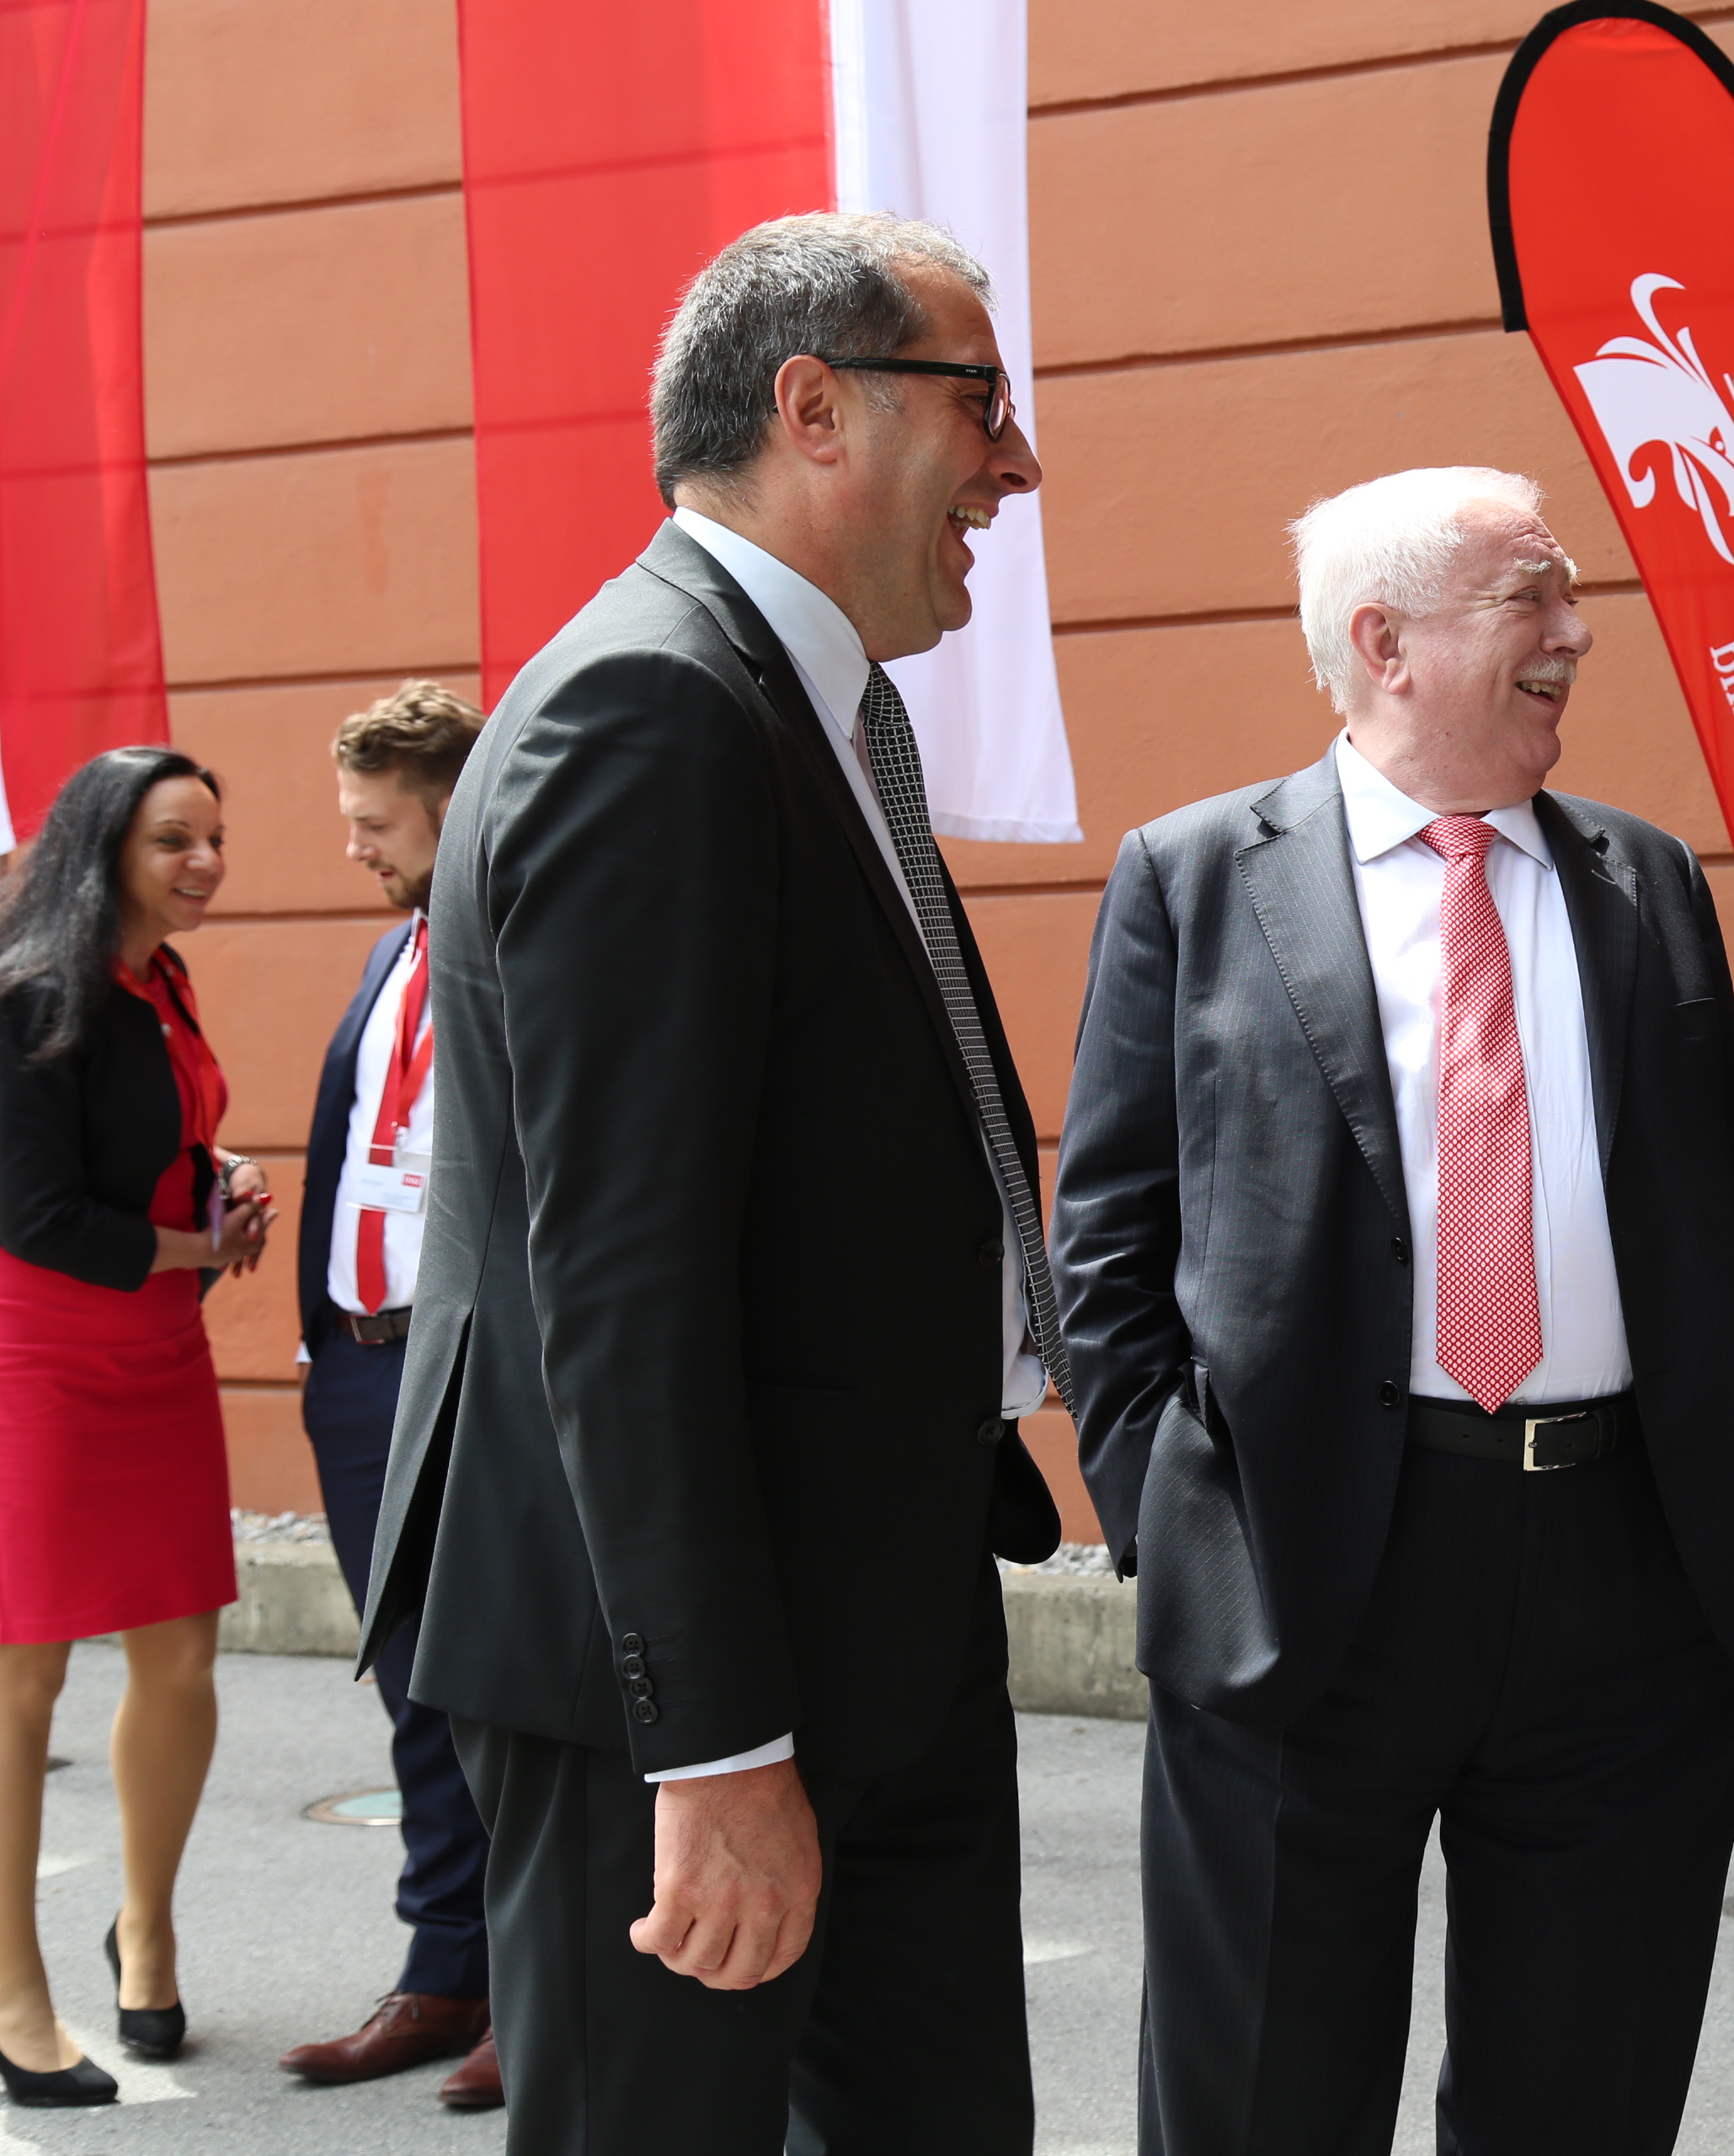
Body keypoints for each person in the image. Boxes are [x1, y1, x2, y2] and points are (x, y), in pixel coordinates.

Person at [356, 211, 1064, 2156]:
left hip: (878, 1608)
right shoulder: (650, 707)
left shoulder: (807, 696)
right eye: (983, 405)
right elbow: (623, 1271)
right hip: (680, 1677)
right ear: (815, 406)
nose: (1018, 465)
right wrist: (722, 1738)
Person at [1053, 465, 1734, 2154]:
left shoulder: (1640, 876)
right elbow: (1105, 1245)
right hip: (1309, 1569)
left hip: (1626, 1575)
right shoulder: (1195, 878)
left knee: (1586, 2092)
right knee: (1264, 2087)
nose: (1577, 631)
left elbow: (1706, 1216)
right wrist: (1170, 1516)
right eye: (1530, 598)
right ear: (1383, 640)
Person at [0, 746, 269, 2107]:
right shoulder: (30, 991)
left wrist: (215, 1178)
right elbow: (34, 1215)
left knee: (178, 1660)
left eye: (214, 837)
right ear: (104, 846)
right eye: (176, 840)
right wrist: (195, 1243)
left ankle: (146, 1933)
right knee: (20, 1683)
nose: (205, 862)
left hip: (158, 1360)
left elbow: (143, 1136)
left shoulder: (158, 980)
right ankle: (13, 1992)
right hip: (38, 1364)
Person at [275, 681, 502, 2110]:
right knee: (415, 1691)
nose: (353, 845)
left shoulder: (513, 945)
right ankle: (444, 1969)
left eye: (374, 823)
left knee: (498, 1691)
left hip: (464, 1369)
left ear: (447, 812)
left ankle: (536, 1993)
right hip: (360, 1372)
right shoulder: (388, 948)